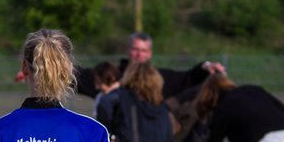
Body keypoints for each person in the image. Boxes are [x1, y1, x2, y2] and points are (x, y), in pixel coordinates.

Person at [73, 32, 225, 102]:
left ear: (150, 54)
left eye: (143, 50)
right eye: (135, 49)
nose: (139, 54)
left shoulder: (159, 79)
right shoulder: (113, 75)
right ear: (128, 51)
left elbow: (188, 78)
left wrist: (205, 67)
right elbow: (80, 77)